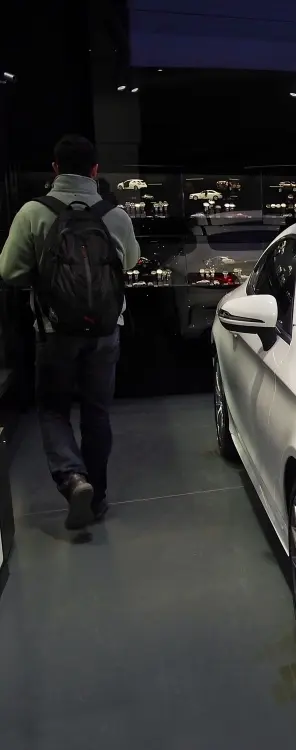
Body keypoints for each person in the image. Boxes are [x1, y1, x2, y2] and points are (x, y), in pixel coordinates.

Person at [0, 134, 140, 529]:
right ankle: (98, 496)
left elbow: (9, 271)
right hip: (106, 330)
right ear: (95, 170)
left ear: (55, 168)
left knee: (53, 409)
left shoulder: (33, 212)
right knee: (97, 412)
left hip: (54, 329)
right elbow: (130, 262)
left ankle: (73, 478)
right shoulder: (115, 214)